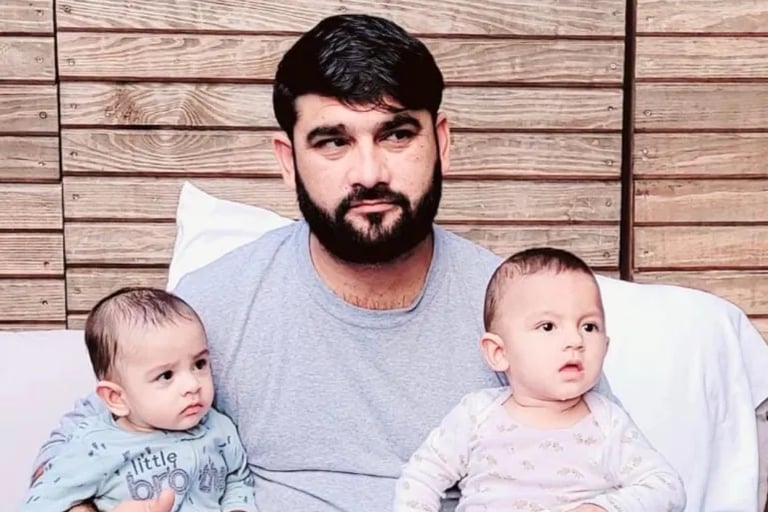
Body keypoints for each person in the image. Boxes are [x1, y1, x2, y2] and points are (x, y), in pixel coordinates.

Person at [28, 12, 766, 512]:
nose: (369, 173)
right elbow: (84, 443)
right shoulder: (212, 302)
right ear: (287, 159)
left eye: (397, 134)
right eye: (333, 142)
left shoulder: (518, 309)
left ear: (442, 141)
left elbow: (615, 469)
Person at [393, 248, 686, 512]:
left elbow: (666, 487)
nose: (575, 340)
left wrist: (603, 507)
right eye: (548, 326)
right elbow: (421, 477)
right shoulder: (476, 415)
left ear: (605, 346)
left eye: (589, 326)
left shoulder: (607, 423)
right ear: (499, 352)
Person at [23, 288, 256, 512]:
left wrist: (237, 508)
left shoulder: (219, 428)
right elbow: (40, 503)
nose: (193, 385)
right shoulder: (95, 447)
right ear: (117, 398)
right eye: (166, 375)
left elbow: (237, 479)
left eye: (199, 364)